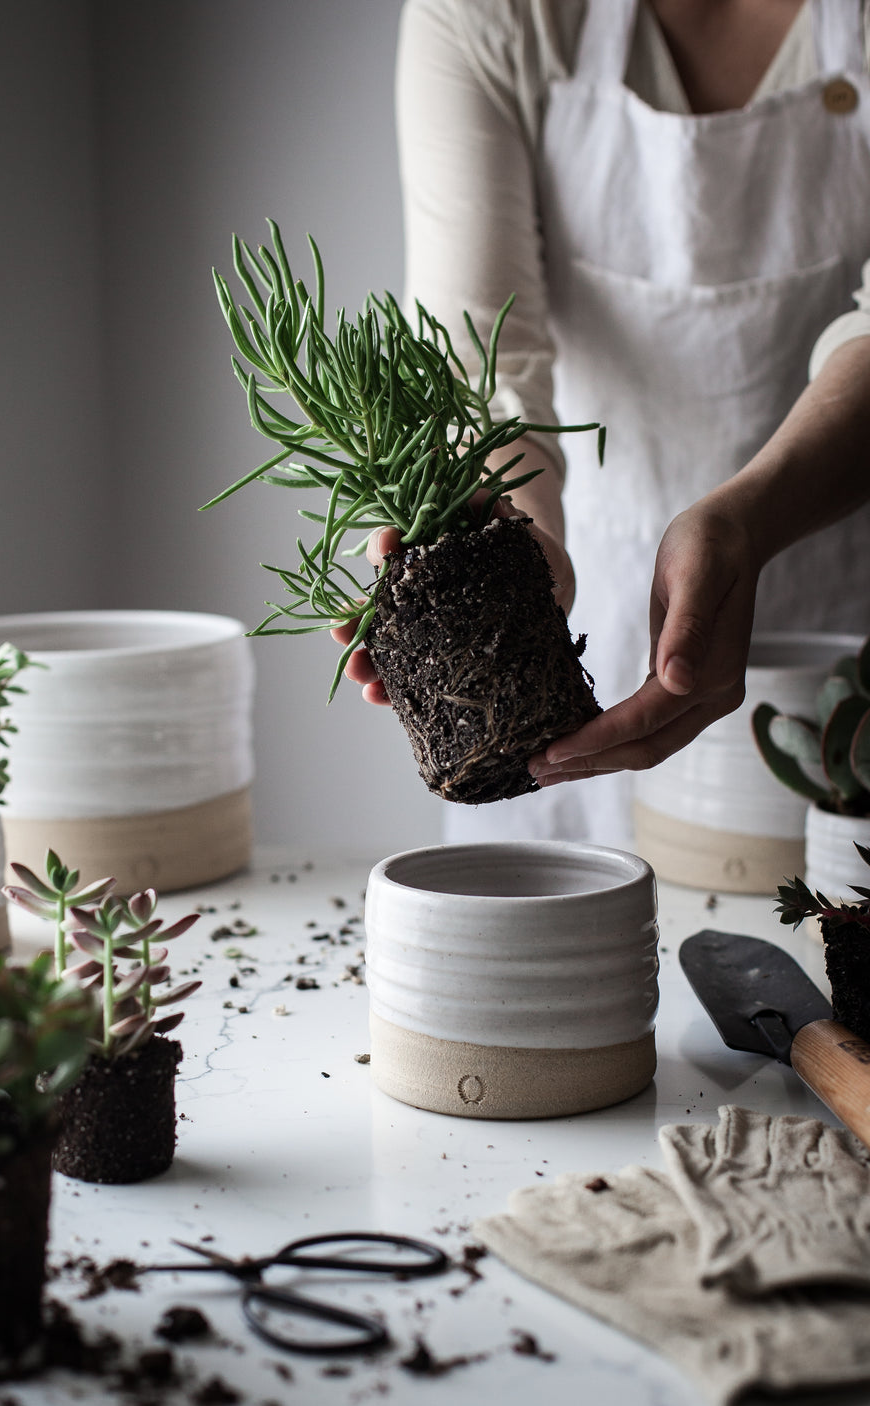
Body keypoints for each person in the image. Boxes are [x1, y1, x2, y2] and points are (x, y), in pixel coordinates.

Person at [334, 0, 870, 848]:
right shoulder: (492, 14)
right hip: (592, 646)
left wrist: (748, 520)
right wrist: (509, 533)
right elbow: (484, 362)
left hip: (848, 641)